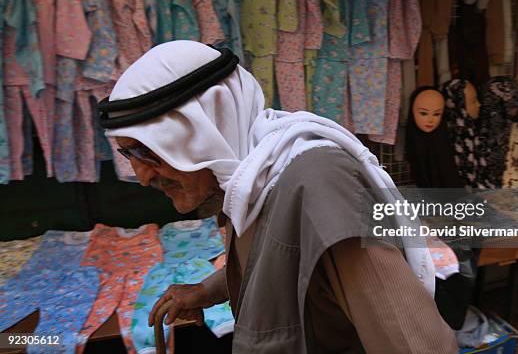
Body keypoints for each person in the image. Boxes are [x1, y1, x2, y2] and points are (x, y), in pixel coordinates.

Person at [99, 41, 457, 353]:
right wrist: (207, 291)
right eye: (130, 157)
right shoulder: (250, 178)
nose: (142, 177)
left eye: (148, 152)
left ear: (206, 127)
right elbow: (281, 261)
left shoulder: (319, 186)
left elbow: (415, 343)